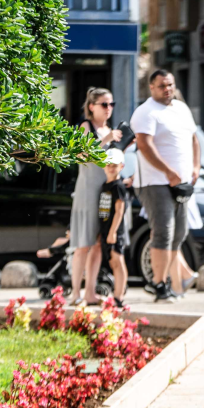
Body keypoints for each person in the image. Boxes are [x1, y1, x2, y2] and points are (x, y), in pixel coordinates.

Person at [130, 70, 200, 303]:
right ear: (152, 88)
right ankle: (158, 284)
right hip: (155, 182)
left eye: (170, 84)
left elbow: (193, 139)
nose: (167, 89)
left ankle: (168, 282)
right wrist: (168, 171)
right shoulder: (145, 112)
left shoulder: (181, 108)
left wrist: (196, 167)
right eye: (162, 86)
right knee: (163, 232)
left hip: (181, 183)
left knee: (179, 233)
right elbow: (145, 146)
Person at [70, 88, 122, 305]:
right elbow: (80, 156)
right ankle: (75, 293)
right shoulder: (86, 127)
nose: (108, 109)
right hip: (87, 191)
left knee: (99, 243)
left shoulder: (110, 130)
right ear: (91, 106)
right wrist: (106, 139)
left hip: (105, 191)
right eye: (104, 104)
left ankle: (90, 292)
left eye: (111, 105)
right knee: (83, 243)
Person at [98, 148, 130, 307]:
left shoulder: (118, 186)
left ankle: (119, 296)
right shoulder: (105, 185)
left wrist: (113, 232)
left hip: (115, 231)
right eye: (108, 164)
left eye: (115, 165)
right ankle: (118, 291)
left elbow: (119, 211)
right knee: (112, 262)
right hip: (105, 230)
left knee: (118, 261)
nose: (111, 167)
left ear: (121, 166)